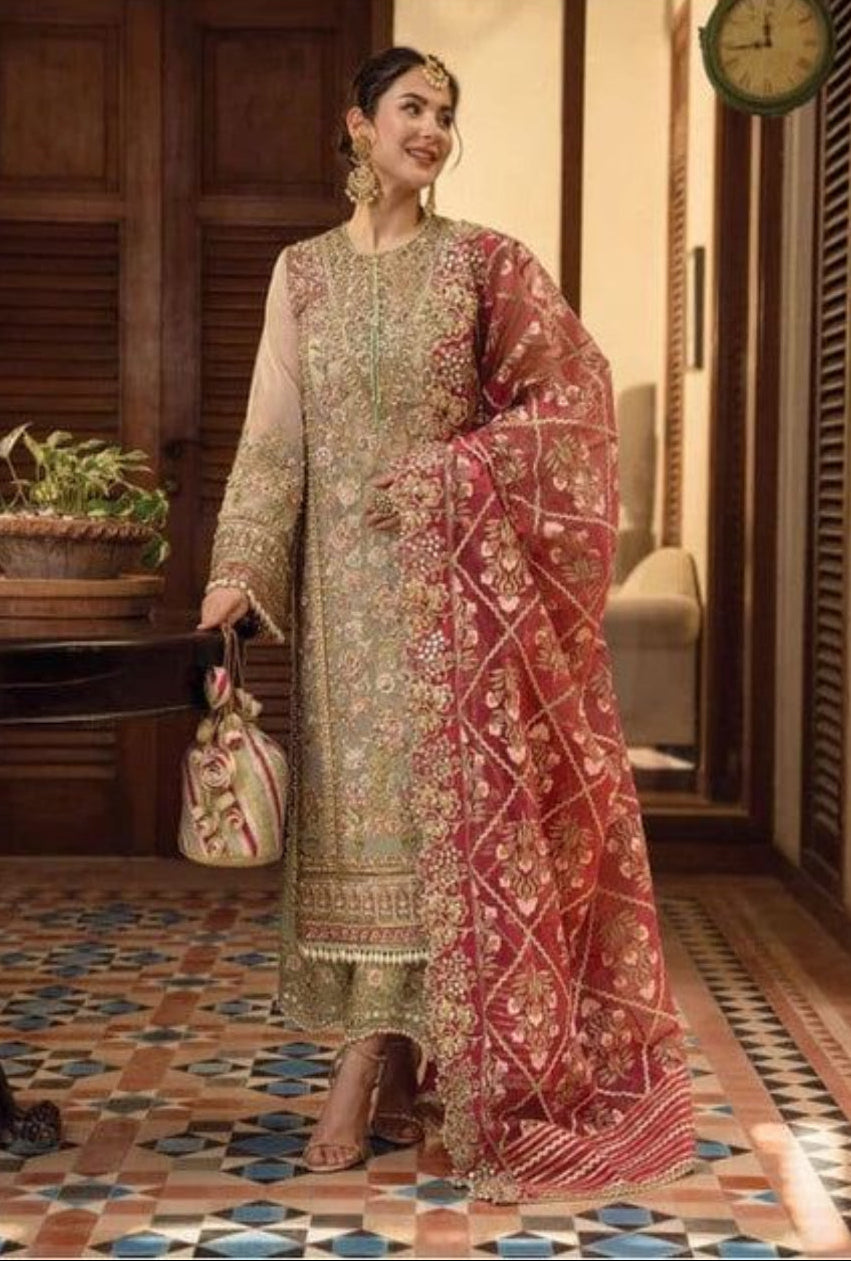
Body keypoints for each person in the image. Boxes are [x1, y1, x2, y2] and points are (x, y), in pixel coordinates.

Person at [198, 46, 696, 1202]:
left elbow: (571, 406)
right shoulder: (300, 275)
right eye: (410, 109)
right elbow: (275, 439)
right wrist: (235, 575)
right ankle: (391, 1050)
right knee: (353, 831)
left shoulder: (483, 265)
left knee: (442, 838)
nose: (429, 130)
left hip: (455, 608)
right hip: (339, 603)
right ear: (356, 128)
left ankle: (369, 1061)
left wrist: (452, 475)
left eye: (444, 114)